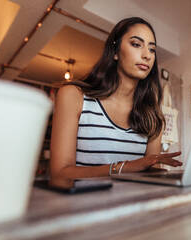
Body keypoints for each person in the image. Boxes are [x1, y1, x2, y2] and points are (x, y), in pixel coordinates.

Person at [50, 17, 182, 188]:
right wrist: (124, 168)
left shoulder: (152, 114)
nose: (147, 55)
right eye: (136, 44)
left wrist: (160, 176)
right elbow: (59, 174)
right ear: (115, 51)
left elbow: (149, 181)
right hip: (83, 208)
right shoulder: (73, 96)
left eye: (152, 49)